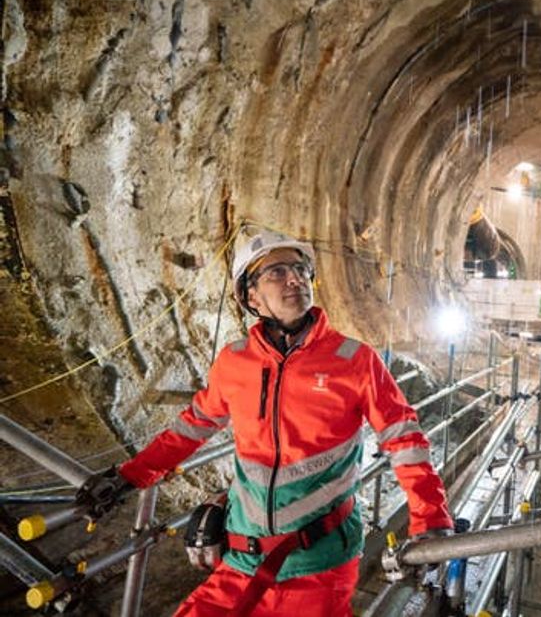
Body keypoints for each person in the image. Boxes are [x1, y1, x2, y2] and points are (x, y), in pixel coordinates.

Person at [79, 229, 453, 616]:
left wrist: (430, 519)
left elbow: (403, 439)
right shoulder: (235, 361)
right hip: (242, 559)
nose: (294, 279)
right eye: (276, 272)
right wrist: (130, 475)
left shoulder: (353, 359)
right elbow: (192, 428)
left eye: (300, 270)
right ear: (250, 296)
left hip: (319, 565)